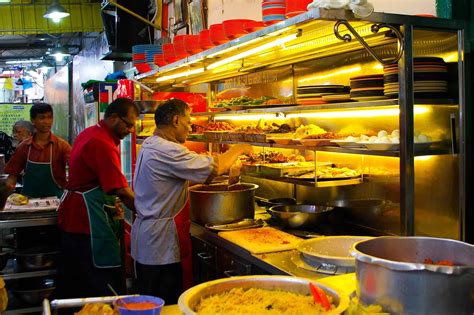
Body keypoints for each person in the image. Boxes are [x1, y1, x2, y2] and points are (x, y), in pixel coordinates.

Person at [132, 98, 252, 304]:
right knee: (165, 302)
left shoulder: (151, 143)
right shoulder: (167, 150)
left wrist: (209, 184)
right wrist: (238, 148)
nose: (190, 126)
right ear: (176, 120)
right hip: (160, 245)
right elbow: (215, 167)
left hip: (149, 238)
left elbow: (168, 186)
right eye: (189, 121)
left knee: (152, 300)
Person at [56, 98, 138, 300]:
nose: (130, 130)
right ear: (112, 118)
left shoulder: (92, 133)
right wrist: (148, 212)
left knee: (76, 281)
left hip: (74, 217)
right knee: (100, 282)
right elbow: (120, 189)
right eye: (128, 124)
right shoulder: (101, 142)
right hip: (86, 221)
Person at [5, 103, 71, 198]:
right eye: (42, 118)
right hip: (29, 201)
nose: (46, 122)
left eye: (49, 117)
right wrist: (7, 196)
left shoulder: (62, 146)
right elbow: (12, 176)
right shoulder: (24, 147)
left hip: (57, 201)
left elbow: (76, 168)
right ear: (33, 120)